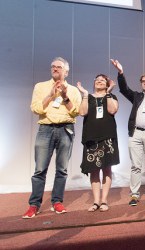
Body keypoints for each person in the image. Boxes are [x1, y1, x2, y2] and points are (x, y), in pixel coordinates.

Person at [22, 57, 81, 219]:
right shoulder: (40, 87)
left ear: (66, 72)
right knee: (40, 169)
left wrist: (64, 96)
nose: (55, 69)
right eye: (53, 67)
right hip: (45, 129)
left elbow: (76, 112)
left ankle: (57, 201)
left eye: (59, 67)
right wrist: (50, 95)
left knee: (62, 169)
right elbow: (36, 108)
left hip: (66, 129)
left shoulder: (73, 90)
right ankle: (34, 205)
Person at [111, 58, 145, 206]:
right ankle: (134, 194)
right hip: (135, 134)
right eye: (143, 81)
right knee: (135, 166)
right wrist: (121, 72)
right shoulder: (136, 96)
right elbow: (123, 89)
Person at [77, 74, 119, 212]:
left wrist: (108, 93)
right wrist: (84, 94)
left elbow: (112, 110)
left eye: (103, 80)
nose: (99, 81)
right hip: (91, 137)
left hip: (107, 136)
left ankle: (104, 201)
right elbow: (82, 112)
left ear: (107, 85)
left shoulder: (111, 97)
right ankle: (96, 201)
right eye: (97, 80)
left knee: (107, 169)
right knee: (93, 171)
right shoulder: (87, 97)